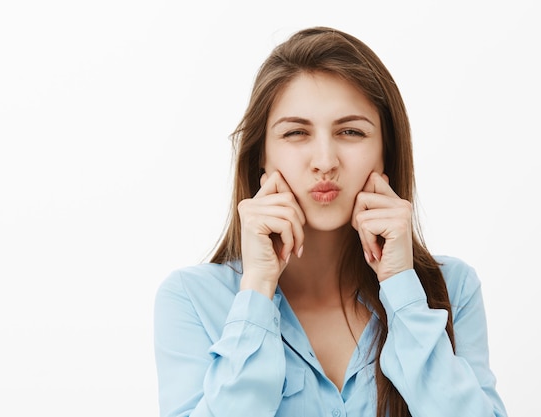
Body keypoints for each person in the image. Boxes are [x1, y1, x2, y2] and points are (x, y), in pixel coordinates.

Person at [153, 26, 508, 417]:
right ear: (261, 157)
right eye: (296, 133)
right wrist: (256, 291)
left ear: (385, 152)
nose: (325, 160)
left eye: (350, 131)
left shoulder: (452, 289)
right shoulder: (190, 299)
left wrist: (402, 291)